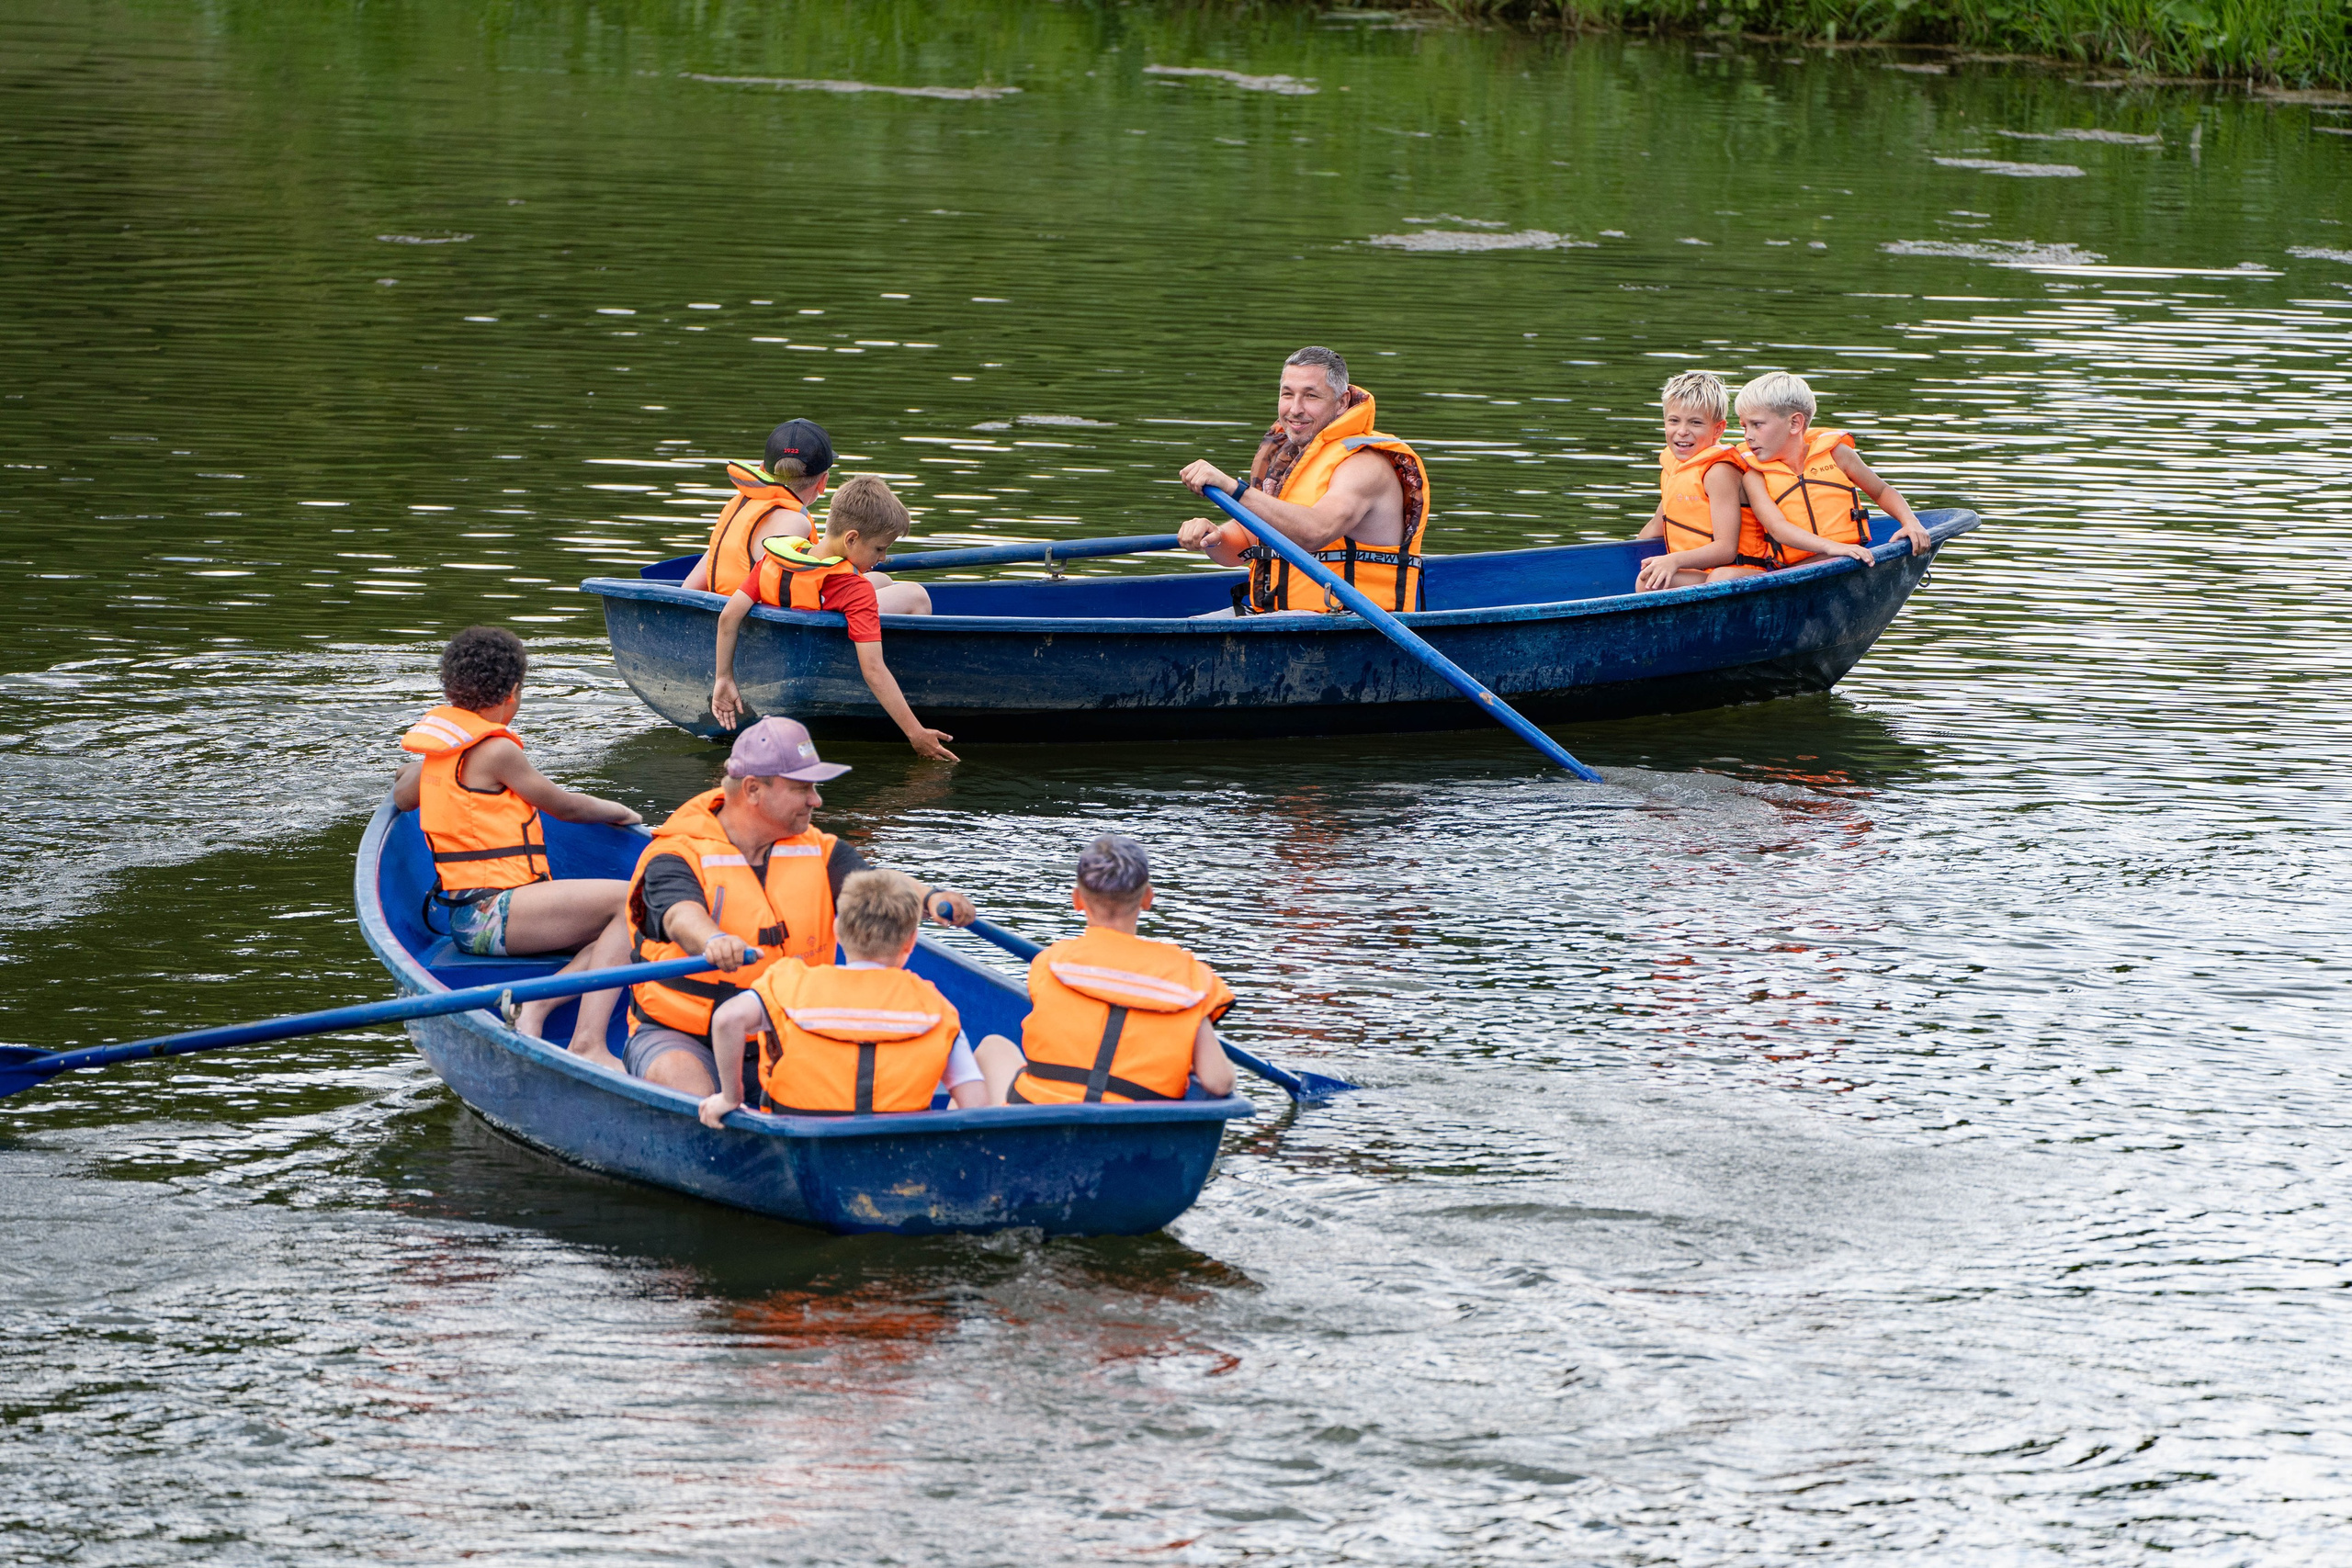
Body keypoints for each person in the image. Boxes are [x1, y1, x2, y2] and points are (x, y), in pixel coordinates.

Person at [620, 716, 979, 1099]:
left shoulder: (818, 850)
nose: (816, 800)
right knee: (682, 1079)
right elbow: (680, 915)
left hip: (793, 1030)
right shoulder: (676, 853)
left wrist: (930, 897)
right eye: (802, 788)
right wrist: (714, 941)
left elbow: (877, 886)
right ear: (753, 789)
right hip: (685, 1036)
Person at [392, 626, 641, 1066]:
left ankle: (536, 1007)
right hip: (494, 913)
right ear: (512, 692)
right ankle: (588, 1042)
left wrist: (416, 769)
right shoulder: (496, 752)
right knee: (632, 903)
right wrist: (619, 811)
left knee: (615, 935)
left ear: (452, 691)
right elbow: (564, 806)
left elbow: (402, 797)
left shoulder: (439, 754)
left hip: (467, 917)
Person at [695, 869, 989, 1126]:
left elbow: (727, 1019)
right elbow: (976, 1108)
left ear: (837, 930)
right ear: (911, 941)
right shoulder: (936, 1008)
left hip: (800, 1141)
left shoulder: (786, 984)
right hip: (898, 1151)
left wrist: (731, 1098)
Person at [709, 474, 957, 761]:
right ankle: (911, 691)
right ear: (851, 538)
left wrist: (724, 677)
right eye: (879, 548)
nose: (883, 557)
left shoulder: (774, 559)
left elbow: (729, 616)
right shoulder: (855, 590)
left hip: (807, 619)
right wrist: (916, 733)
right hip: (835, 622)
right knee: (916, 595)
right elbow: (873, 670)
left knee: (882, 579)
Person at [975, 834, 1236, 1106]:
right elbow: (1218, 1082)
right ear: (1147, 898)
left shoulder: (1049, 963)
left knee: (993, 1046)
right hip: (1136, 1127)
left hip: (1038, 1118)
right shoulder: (1191, 981)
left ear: (1077, 899)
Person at [1173, 345, 1433, 615]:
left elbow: (1316, 532)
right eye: (1288, 394)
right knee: (1188, 626)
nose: (1295, 409)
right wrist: (1213, 538)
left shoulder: (1365, 467)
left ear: (1341, 402)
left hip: (1352, 621)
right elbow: (1242, 545)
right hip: (1276, 616)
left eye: (1311, 396)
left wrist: (1232, 489)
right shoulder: (1289, 462)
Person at [1722, 371, 1932, 577]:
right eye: (1744, 427)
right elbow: (1778, 527)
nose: (1748, 436)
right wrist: (1831, 547)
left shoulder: (1838, 455)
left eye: (1757, 425)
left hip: (1851, 559)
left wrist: (1910, 522)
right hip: (1795, 572)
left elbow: (1881, 491)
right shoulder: (1755, 476)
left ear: (1795, 423)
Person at [679, 418, 832, 597]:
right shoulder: (796, 522)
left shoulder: (739, 508)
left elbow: (688, 589)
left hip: (719, 605)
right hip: (744, 613)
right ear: (823, 482)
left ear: (762, 470)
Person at [1632, 370, 1747, 592]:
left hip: (1737, 572)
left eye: (1695, 423)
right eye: (1674, 421)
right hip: (1700, 574)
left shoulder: (1718, 472)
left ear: (1718, 429)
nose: (1682, 431)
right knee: (1647, 577)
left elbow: (1726, 548)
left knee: (1650, 582)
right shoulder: (1676, 470)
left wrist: (1674, 560)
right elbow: (1655, 527)